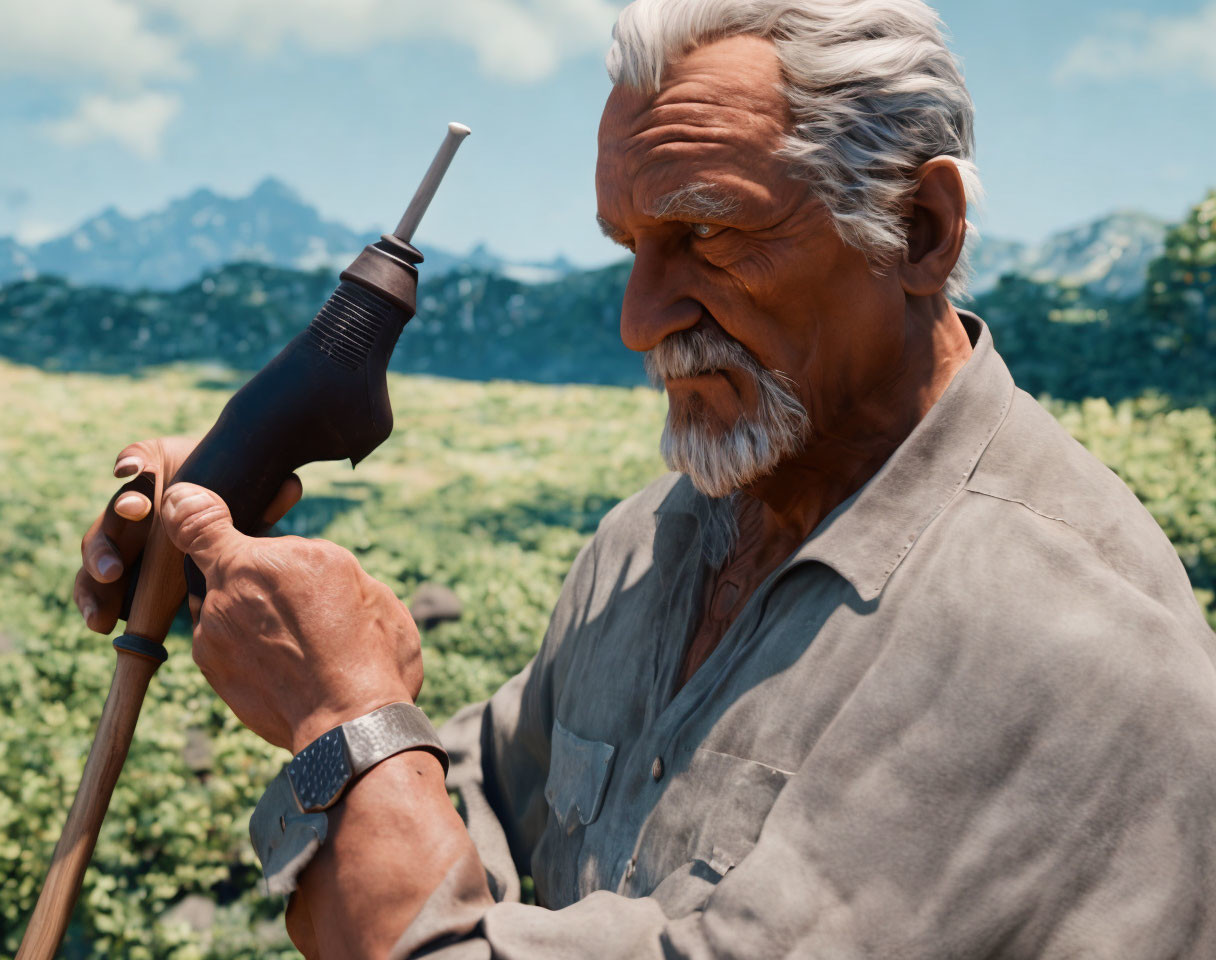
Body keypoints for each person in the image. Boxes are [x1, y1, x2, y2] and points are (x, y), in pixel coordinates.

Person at [74, 1, 1216, 957]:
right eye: (630, 248)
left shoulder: (1060, 642)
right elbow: (480, 825)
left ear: (918, 230)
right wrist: (320, 639)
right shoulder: (655, 540)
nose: (638, 323)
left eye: (709, 239)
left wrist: (342, 714)